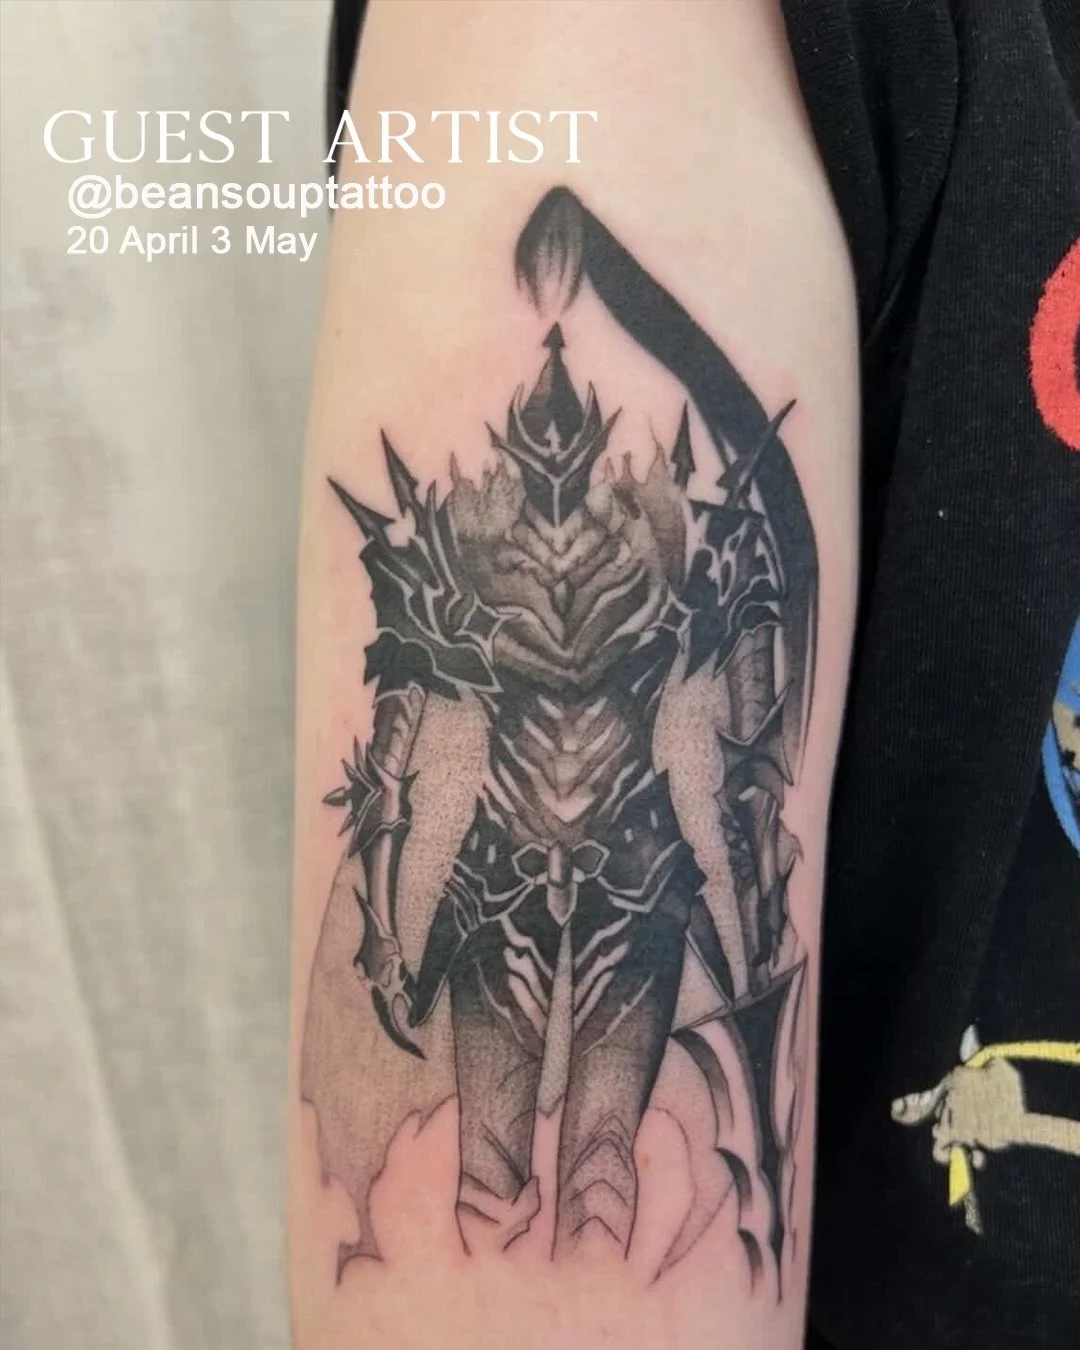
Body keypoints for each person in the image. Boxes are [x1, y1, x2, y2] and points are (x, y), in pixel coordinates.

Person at [289, 3, 1080, 1347]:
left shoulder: (671, 569)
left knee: (600, 1170)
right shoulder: (593, 40)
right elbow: (425, 731)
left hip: (641, 890)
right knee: (498, 1177)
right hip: (507, 895)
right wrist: (401, 926)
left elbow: (706, 729)